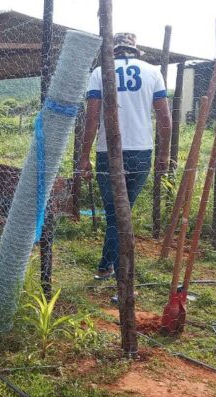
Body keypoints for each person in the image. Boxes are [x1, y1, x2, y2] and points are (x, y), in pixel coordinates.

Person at [78, 32, 172, 280]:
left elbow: (91, 119)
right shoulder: (153, 72)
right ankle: (107, 267)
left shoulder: (99, 73)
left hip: (107, 150)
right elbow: (164, 119)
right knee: (124, 212)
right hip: (141, 150)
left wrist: (84, 155)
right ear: (135, 50)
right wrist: (164, 153)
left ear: (113, 51)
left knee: (114, 213)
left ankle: (119, 276)